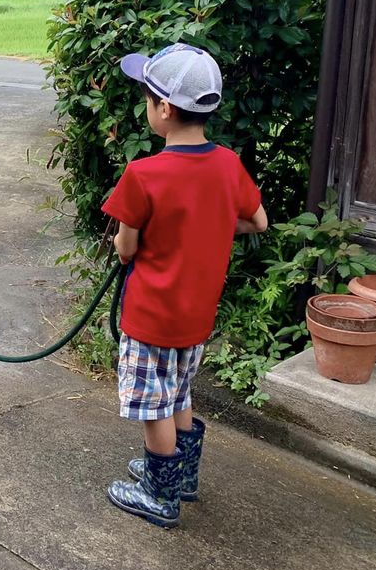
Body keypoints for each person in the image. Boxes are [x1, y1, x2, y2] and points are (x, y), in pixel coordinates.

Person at [101, 43, 267, 529]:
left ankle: (160, 494)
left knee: (154, 404)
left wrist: (130, 244)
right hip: (197, 315)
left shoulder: (143, 174)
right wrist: (209, 226)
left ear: (165, 109)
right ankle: (182, 476)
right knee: (179, 392)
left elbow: (126, 248)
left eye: (147, 97)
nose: (146, 105)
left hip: (151, 315)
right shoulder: (228, 164)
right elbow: (257, 221)